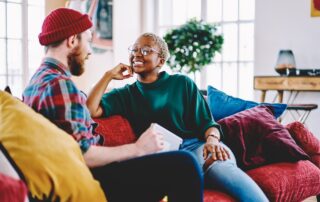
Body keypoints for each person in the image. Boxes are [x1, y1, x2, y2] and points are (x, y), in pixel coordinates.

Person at [22, 8, 204, 202]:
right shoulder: (59, 84)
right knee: (184, 165)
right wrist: (138, 148)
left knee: (182, 162)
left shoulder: (37, 81)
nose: (90, 51)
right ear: (72, 40)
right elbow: (84, 155)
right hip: (93, 177)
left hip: (78, 173)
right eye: (88, 41)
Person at [86, 32, 269, 202]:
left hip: (198, 148)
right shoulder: (125, 94)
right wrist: (108, 76)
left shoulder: (181, 83)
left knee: (221, 166)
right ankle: (203, 176)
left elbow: (208, 123)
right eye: (134, 50)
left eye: (146, 50)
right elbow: (91, 110)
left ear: (160, 61)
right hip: (165, 158)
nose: (137, 54)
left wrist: (212, 141)